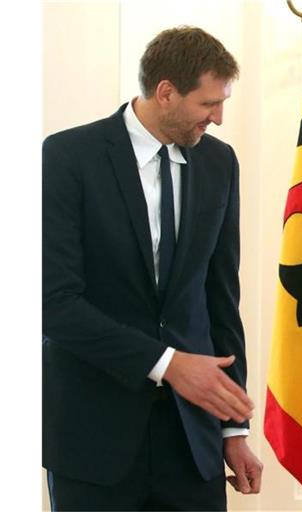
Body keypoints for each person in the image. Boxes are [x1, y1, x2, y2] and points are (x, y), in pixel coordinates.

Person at [43, 26, 262, 511]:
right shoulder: (65, 157)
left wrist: (233, 428)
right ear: (165, 92)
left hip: (193, 445)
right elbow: (52, 304)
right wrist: (168, 364)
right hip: (93, 443)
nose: (219, 118)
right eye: (209, 104)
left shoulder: (220, 163)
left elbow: (221, 299)